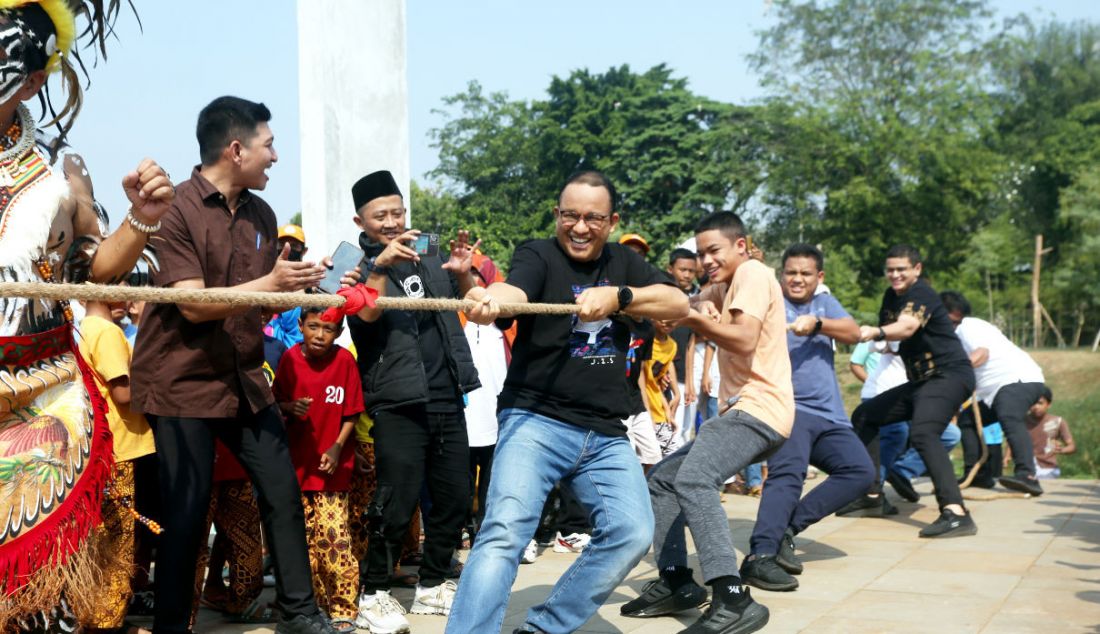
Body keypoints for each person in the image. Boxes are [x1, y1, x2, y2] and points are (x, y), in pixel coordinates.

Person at [131, 96, 342, 634]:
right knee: (186, 512)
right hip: (181, 383)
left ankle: (298, 612)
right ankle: (172, 626)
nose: (275, 156)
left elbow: (260, 301)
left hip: (244, 380)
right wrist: (270, 285)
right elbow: (195, 304)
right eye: (268, 144)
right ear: (235, 149)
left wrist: (303, 284)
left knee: (282, 492)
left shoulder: (262, 214)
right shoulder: (176, 209)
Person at [450, 170, 688, 634]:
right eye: (570, 216)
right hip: (535, 420)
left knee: (632, 532)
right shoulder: (538, 253)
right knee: (504, 533)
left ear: (612, 220)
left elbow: (677, 303)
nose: (580, 227)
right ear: (557, 215)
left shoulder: (625, 263)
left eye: (593, 218)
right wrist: (488, 299)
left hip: (606, 433)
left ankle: (543, 628)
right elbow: (513, 292)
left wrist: (620, 296)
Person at [0, 3, 174, 629]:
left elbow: (95, 268)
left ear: (35, 78)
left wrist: (142, 218)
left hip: (42, 396)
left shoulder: (59, 165)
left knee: (39, 597)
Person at [622, 211, 792, 634]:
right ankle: (678, 581)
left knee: (695, 480)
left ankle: (732, 597)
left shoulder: (752, 272)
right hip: (742, 410)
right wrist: (632, 302)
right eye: (700, 253)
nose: (706, 259)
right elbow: (682, 303)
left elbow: (744, 337)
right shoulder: (721, 285)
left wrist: (693, 319)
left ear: (740, 245)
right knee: (663, 479)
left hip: (761, 408)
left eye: (713, 250)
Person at [347, 170, 480, 631]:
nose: (392, 221)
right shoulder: (351, 263)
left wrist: (464, 276)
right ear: (360, 220)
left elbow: (464, 300)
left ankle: (432, 584)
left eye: (398, 211)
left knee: (455, 496)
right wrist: (380, 265)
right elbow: (362, 314)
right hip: (397, 398)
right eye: (380, 215)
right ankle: (374, 593)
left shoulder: (429, 249)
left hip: (447, 391)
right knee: (395, 500)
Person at [739, 244, 872, 592]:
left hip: (831, 415)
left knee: (861, 472)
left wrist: (818, 324)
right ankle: (760, 556)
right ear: (780, 274)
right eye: (791, 272)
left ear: (819, 277)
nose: (797, 279)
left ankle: (787, 529)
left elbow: (854, 332)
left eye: (805, 273)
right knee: (789, 472)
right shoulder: (771, 302)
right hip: (789, 407)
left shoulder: (825, 304)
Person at [850, 245, 977, 538]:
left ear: (916, 270)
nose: (895, 275)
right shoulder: (890, 297)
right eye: (890, 269)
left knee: (923, 432)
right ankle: (871, 497)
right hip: (921, 382)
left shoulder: (923, 294)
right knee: (866, 415)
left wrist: (877, 332)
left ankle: (957, 513)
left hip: (950, 375)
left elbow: (906, 327)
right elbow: (891, 341)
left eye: (901, 269)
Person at [275, 308, 366, 633]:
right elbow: (274, 404)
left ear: (339, 332)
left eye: (328, 329)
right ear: (300, 326)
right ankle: (309, 608)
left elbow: (352, 412)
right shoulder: (288, 360)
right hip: (295, 467)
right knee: (303, 543)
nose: (319, 335)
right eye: (313, 326)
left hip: (331, 471)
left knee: (335, 538)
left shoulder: (344, 362)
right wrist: (288, 407)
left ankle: (343, 607)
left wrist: (338, 446)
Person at [78, 299, 157, 634]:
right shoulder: (108, 332)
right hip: (122, 447)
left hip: (99, 446)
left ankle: (97, 617)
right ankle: (108, 623)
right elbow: (123, 394)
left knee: (101, 539)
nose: (126, 290)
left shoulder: (81, 328)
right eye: (118, 280)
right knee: (119, 540)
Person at [941, 291, 1047, 496]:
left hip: (1017, 380)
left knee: (1009, 416)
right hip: (994, 391)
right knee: (967, 420)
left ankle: (1028, 475)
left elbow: (981, 354)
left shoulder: (969, 326)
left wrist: (957, 371)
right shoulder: (951, 336)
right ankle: (979, 474)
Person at [460, 253, 511, 542]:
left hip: (497, 416)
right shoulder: (455, 317)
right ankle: (463, 527)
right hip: (464, 415)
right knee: (462, 481)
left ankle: (485, 529)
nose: (476, 284)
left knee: (492, 482)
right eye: (470, 277)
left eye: (480, 276)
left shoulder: (507, 324)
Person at [667, 248, 699, 443]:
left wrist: (689, 382)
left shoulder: (695, 300)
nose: (687, 275)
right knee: (671, 432)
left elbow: (691, 342)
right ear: (670, 269)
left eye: (691, 271)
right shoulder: (662, 296)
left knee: (686, 433)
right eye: (682, 269)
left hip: (684, 375)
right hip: (665, 376)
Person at [644, 319, 682, 458]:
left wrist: (668, 413)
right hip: (640, 410)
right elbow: (643, 380)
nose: (667, 321)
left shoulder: (672, 346)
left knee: (671, 455)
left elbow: (655, 384)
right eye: (662, 316)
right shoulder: (643, 340)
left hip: (658, 411)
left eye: (672, 317)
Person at [268, 223, 309, 348]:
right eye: (282, 245)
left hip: (302, 357)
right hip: (271, 359)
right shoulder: (264, 282)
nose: (287, 249)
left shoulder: (312, 285)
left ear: (304, 251)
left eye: (294, 246)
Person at [1023, 387, 1074, 479]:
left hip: (1048, 470)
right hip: (1026, 469)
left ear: (1048, 404)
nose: (1036, 407)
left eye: (1040, 403)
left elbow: (1071, 446)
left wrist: (1061, 450)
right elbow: (1013, 441)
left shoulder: (1057, 422)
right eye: (1033, 403)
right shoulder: (1022, 422)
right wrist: (1007, 457)